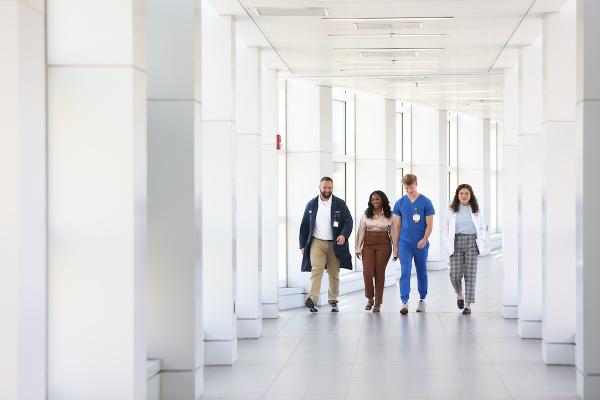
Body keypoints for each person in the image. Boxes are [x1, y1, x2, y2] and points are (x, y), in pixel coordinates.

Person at [299, 177, 353, 312]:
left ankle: (333, 300)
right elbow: (304, 225)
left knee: (334, 273)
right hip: (317, 242)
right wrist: (302, 244)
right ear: (319, 187)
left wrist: (344, 235)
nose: (327, 190)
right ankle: (313, 299)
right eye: (325, 188)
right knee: (316, 269)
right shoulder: (311, 204)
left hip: (334, 243)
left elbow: (348, 221)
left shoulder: (339, 203)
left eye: (329, 188)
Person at [392, 174, 435, 315]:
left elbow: (429, 225)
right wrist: (396, 246)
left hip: (420, 244)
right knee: (405, 272)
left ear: (416, 184)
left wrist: (425, 239)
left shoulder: (426, 202)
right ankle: (404, 302)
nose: (409, 190)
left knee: (422, 271)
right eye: (406, 188)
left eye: (411, 187)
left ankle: (422, 300)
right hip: (405, 244)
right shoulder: (400, 203)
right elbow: (397, 226)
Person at [443, 184, 487, 315]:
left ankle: (467, 305)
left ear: (471, 195)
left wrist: (482, 240)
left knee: (470, 275)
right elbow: (445, 228)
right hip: (455, 242)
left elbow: (482, 227)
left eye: (467, 193)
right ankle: (459, 294)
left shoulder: (476, 210)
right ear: (457, 195)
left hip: (472, 242)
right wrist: (447, 242)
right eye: (461, 193)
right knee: (455, 275)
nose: (464, 196)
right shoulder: (451, 210)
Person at [355, 191, 395, 312]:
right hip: (368, 245)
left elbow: (393, 232)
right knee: (367, 273)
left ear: (382, 200)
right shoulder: (366, 213)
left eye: (377, 199)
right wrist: (358, 247)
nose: (375, 202)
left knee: (379, 274)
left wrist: (396, 249)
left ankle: (377, 303)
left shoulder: (390, 215)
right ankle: (370, 299)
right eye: (372, 200)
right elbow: (361, 230)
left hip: (384, 245)